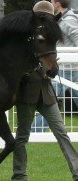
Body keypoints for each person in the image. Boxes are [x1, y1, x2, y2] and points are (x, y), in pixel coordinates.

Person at [12, 0, 78, 181]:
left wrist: (53, 68)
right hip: (27, 93)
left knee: (61, 132)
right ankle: (19, 173)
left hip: (47, 92)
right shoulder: (22, 39)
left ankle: (77, 171)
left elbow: (50, 59)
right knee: (23, 135)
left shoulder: (50, 37)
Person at [32, 0, 78, 132]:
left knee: (49, 102)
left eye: (52, 2)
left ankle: (33, 131)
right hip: (66, 69)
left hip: (68, 70)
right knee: (49, 101)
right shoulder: (63, 20)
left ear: (57, 4)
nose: (51, 5)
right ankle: (33, 131)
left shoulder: (68, 21)